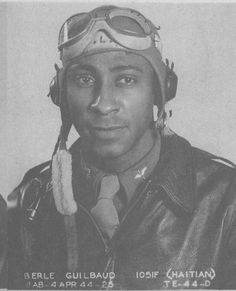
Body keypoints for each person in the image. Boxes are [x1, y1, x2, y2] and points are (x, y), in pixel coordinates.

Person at [8, 5, 236, 290]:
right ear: (60, 94)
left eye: (126, 79)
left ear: (160, 89)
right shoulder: (30, 199)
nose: (103, 104)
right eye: (84, 79)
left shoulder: (227, 199)